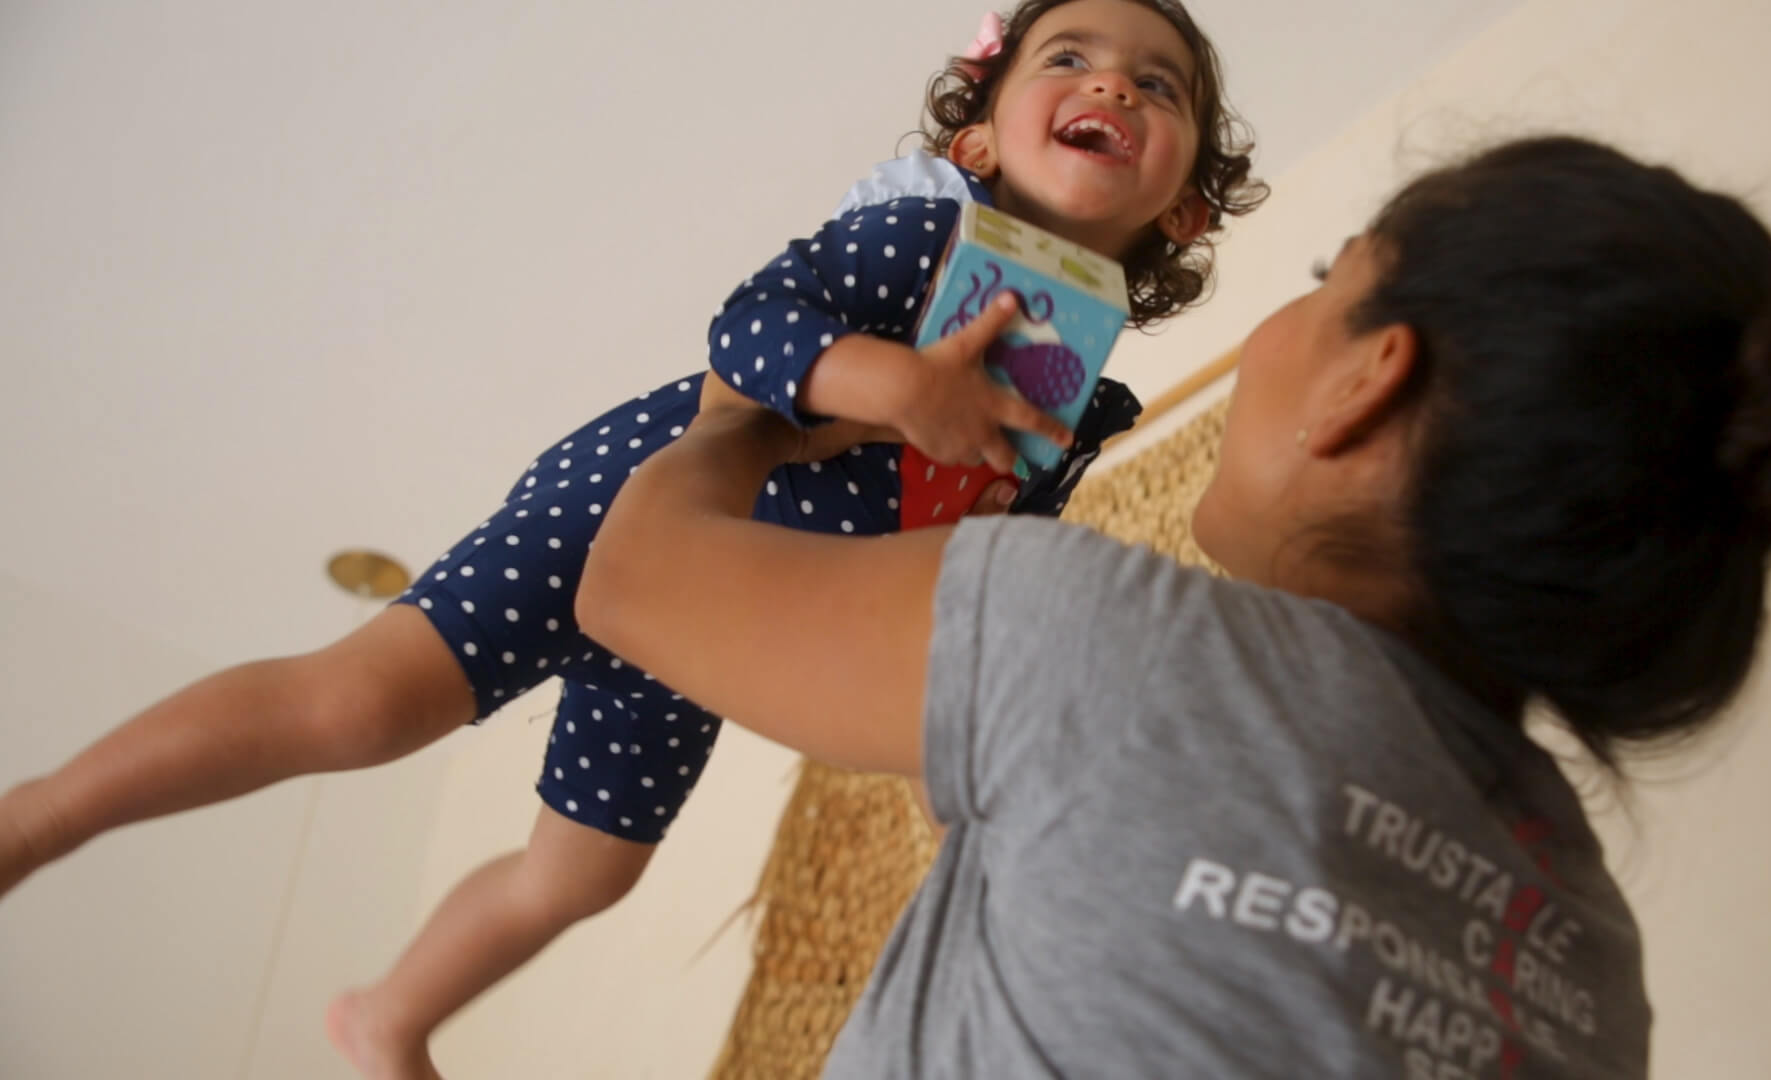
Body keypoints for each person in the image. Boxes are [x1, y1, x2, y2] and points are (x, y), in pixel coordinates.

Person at [0, 1, 1267, 1076]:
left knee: (584, 874)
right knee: (364, 707)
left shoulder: (1080, 381)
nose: (1113, 80)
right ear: (977, 133)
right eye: (1070, 57)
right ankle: (41, 817)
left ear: (1187, 211)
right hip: (633, 501)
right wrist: (892, 386)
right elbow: (750, 328)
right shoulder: (918, 236)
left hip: (718, 621)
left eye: (1157, 84)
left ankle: (389, 1012)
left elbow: (989, 553)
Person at [575, 134, 1771, 1077]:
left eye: (1321, 278)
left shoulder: (1106, 644)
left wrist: (800, 394)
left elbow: (633, 578)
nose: (1281, 330)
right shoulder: (1588, 965)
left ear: (1367, 380)